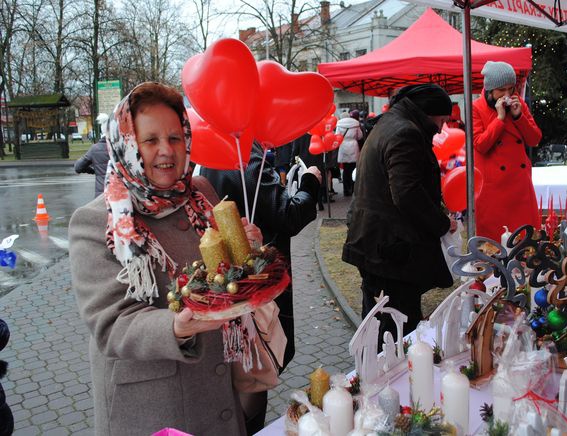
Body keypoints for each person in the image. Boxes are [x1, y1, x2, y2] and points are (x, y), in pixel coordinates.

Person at [69, 82, 262, 435]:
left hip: (217, 390)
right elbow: (110, 324)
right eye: (151, 140)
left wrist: (248, 249)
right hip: (153, 406)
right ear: (127, 143)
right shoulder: (97, 221)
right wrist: (174, 327)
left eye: (175, 138)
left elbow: (227, 275)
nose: (166, 151)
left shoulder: (200, 192)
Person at [202, 143, 320, 434]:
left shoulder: (211, 155)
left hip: (229, 290)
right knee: (256, 369)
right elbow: (288, 214)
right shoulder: (242, 152)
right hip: (251, 291)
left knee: (246, 373)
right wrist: (310, 183)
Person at [342, 84, 457, 347]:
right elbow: (406, 194)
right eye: (441, 120)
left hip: (376, 243)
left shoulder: (390, 123)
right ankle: (388, 378)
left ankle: (373, 372)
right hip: (390, 250)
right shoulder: (406, 132)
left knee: (378, 319)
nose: (441, 128)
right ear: (429, 113)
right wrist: (441, 223)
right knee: (395, 326)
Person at [473, 61, 542, 242]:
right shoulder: (476, 108)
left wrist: (519, 116)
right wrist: (500, 119)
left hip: (519, 186)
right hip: (493, 188)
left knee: (524, 241)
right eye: (501, 90)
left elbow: (534, 139)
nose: (506, 95)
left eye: (510, 89)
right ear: (489, 90)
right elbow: (480, 145)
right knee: (493, 244)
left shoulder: (519, 106)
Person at [74, 113, 110, 197]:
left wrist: (93, 170)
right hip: (121, 196)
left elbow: (78, 167)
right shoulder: (121, 147)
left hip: (102, 195)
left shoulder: (95, 149)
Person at [336, 110, 363, 197]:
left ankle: (345, 190)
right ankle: (353, 188)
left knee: (345, 170)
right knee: (353, 168)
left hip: (343, 146)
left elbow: (337, 136)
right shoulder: (355, 123)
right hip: (353, 146)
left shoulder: (339, 124)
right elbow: (360, 136)